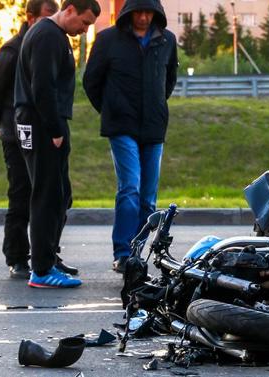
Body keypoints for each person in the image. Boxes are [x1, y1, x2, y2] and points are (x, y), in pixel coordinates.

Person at [83, 0, 178, 273]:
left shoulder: (167, 40)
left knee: (149, 197)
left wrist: (156, 106)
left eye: (149, 12)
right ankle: (122, 253)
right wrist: (111, 110)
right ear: (128, 12)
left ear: (157, 13)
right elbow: (92, 81)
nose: (144, 18)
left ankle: (137, 254)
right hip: (121, 127)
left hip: (153, 128)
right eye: (139, 12)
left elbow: (168, 80)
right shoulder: (107, 40)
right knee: (130, 189)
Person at [14, 0, 100, 288]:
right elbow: (42, 86)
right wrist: (54, 128)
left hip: (41, 121)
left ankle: (48, 259)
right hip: (43, 123)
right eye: (85, 23)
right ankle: (41, 269)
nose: (86, 30)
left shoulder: (51, 35)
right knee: (47, 196)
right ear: (71, 9)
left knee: (60, 195)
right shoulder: (48, 36)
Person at [0, 0, 62, 279]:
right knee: (21, 194)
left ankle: (48, 254)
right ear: (30, 17)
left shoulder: (48, 44)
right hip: (15, 135)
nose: (52, 22)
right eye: (47, 17)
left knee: (57, 194)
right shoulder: (12, 50)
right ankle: (17, 257)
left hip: (40, 132)